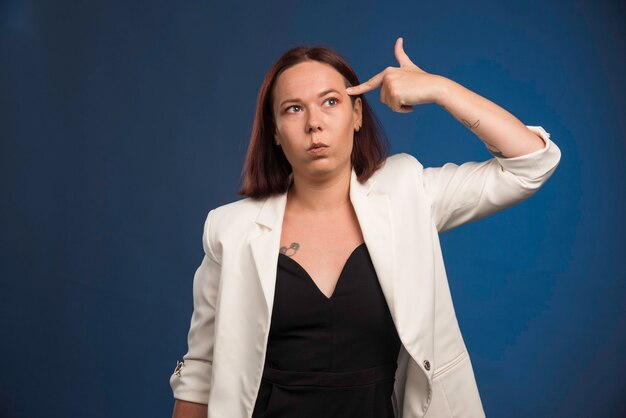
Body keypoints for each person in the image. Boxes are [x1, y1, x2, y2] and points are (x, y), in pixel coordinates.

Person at [169, 37, 561, 418]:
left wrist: (440, 89)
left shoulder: (408, 190)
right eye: (293, 109)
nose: (314, 123)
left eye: (330, 102)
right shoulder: (231, 229)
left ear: (357, 115)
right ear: (274, 132)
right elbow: (201, 368)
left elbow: (531, 163)